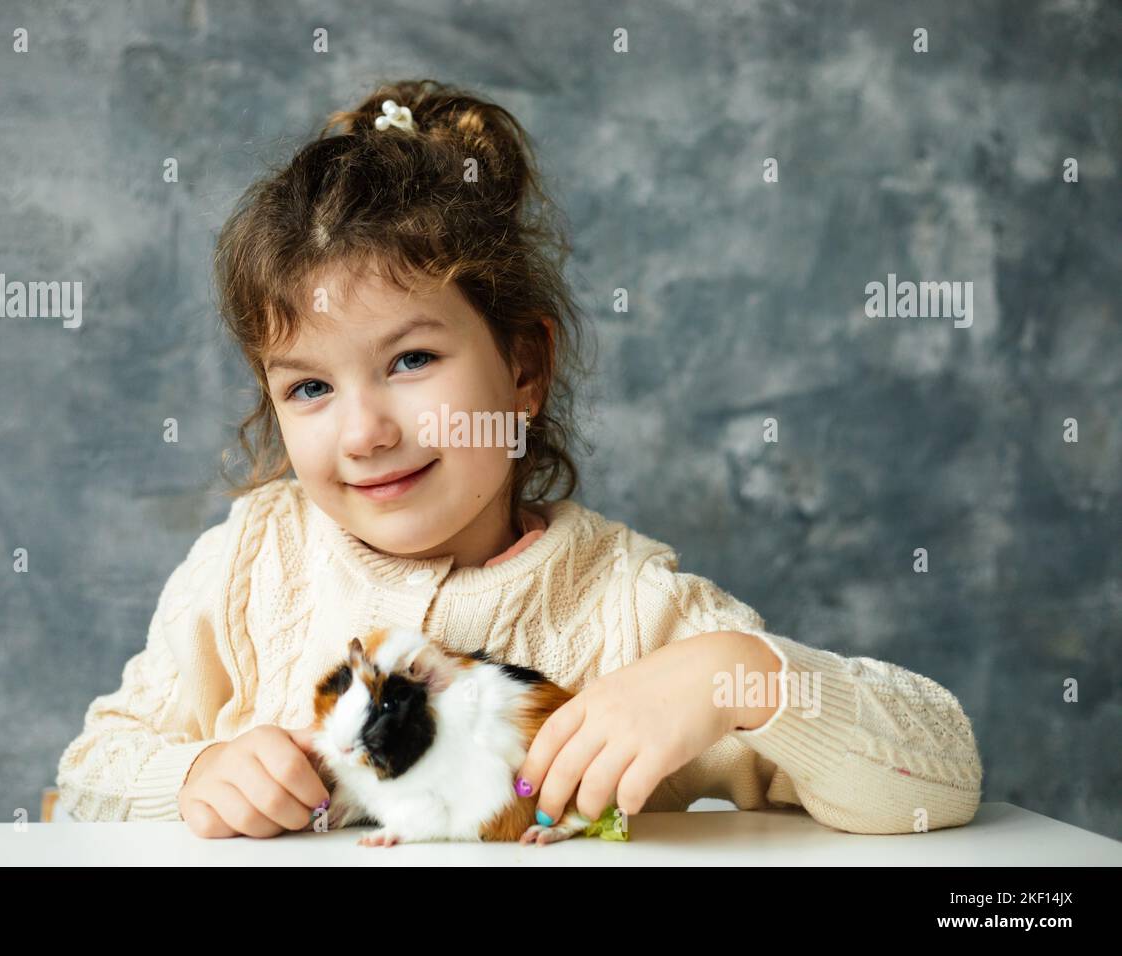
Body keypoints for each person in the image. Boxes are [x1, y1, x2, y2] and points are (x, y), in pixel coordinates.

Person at [56, 79, 982, 839]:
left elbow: (938, 778)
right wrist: (196, 775)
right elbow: (85, 782)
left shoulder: (629, 610)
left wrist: (738, 676)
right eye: (309, 388)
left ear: (525, 368)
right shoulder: (247, 566)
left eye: (411, 361)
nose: (364, 432)